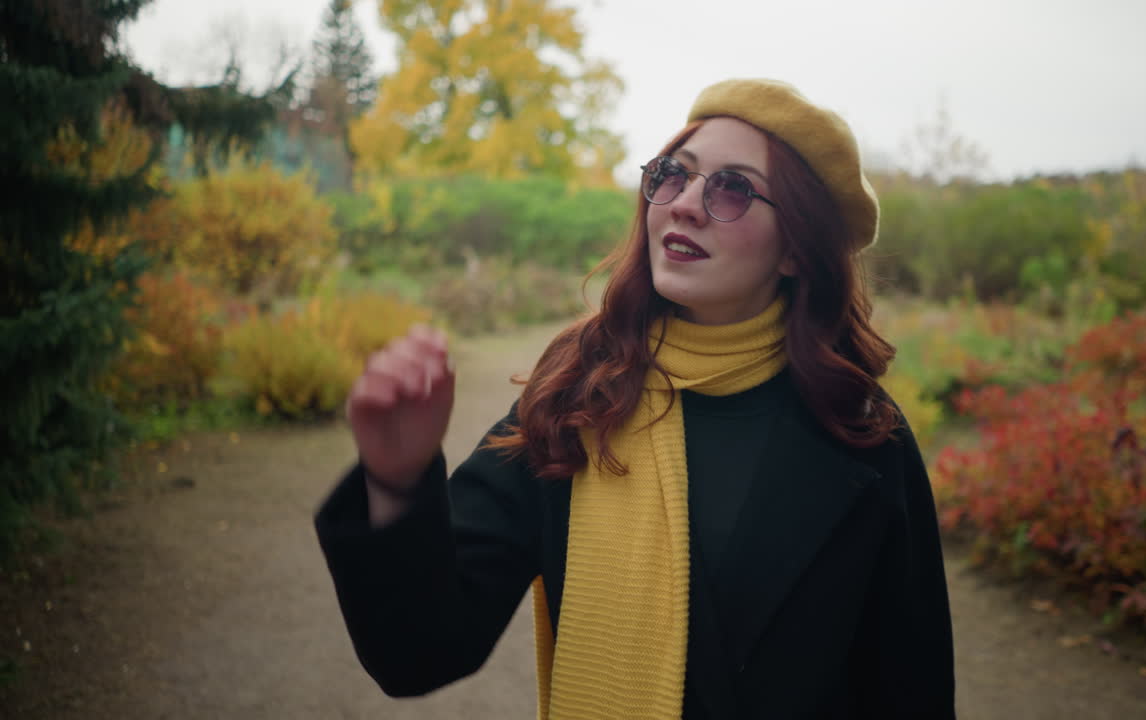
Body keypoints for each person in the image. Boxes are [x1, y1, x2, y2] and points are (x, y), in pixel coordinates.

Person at [315, 78, 955, 719]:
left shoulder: (864, 435)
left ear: (795, 249)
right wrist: (395, 486)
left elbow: (912, 691)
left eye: (731, 189)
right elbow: (419, 652)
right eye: (674, 175)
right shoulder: (576, 400)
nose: (685, 205)